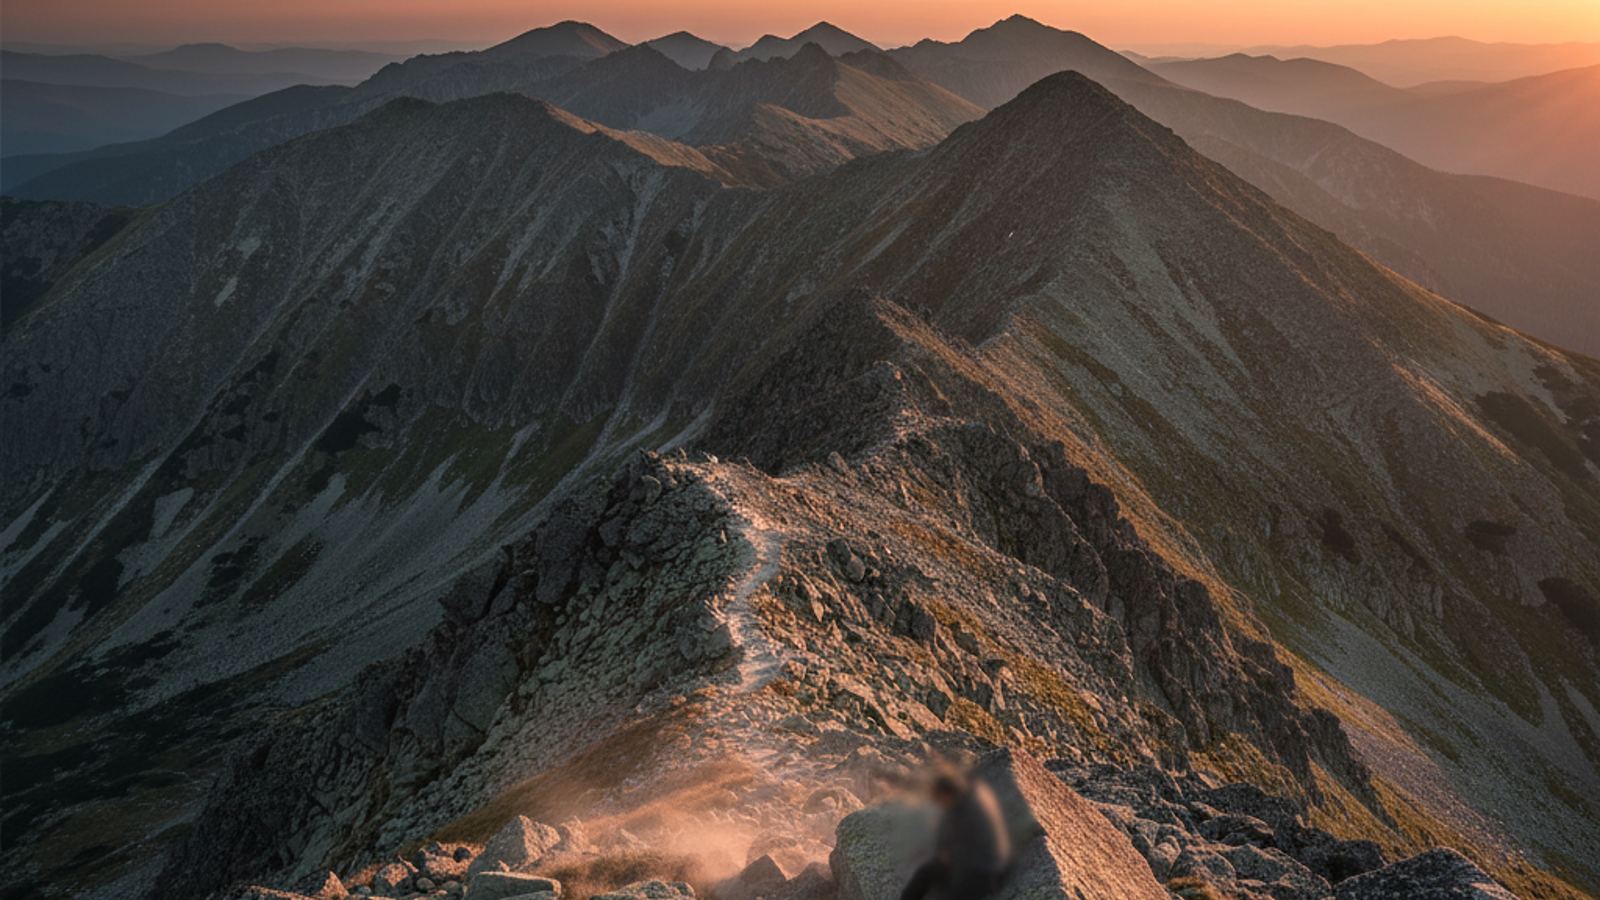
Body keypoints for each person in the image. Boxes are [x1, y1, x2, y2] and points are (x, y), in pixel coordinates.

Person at [900, 772, 1012, 900]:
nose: (938, 803)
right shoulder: (962, 804)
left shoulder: (970, 811)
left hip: (982, 873)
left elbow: (975, 845)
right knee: (926, 872)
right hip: (971, 866)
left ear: (947, 793)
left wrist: (949, 856)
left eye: (938, 798)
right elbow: (945, 836)